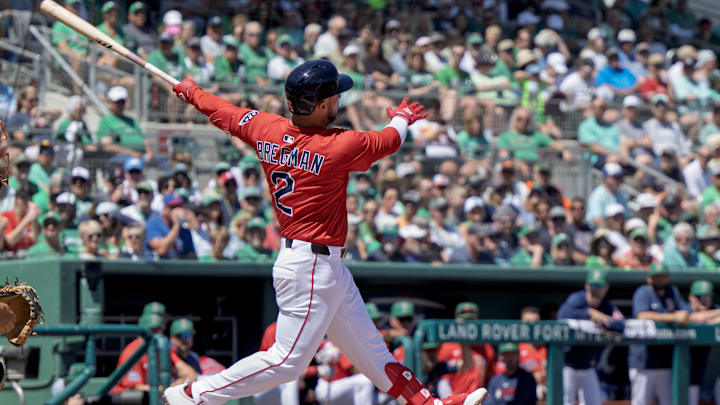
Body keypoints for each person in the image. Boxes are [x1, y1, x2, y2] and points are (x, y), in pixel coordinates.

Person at [164, 62, 486, 405]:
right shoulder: (338, 145)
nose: (339, 102)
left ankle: (429, 403)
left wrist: (191, 92)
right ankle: (196, 393)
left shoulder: (265, 128)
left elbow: (224, 112)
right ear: (319, 105)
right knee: (287, 362)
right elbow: (390, 139)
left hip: (318, 264)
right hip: (311, 266)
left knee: (375, 355)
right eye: (334, 97)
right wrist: (402, 115)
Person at [557, 269, 624, 405]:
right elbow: (562, 316)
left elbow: (621, 325)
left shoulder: (606, 305)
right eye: (594, 285)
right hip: (568, 365)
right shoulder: (577, 299)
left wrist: (603, 322)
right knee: (565, 402)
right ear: (587, 286)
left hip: (588, 366)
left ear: (606, 287)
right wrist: (589, 313)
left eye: (600, 286)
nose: (597, 290)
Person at [628, 264, 689, 405]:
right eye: (656, 276)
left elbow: (685, 313)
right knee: (640, 401)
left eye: (663, 276)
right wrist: (673, 317)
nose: (660, 279)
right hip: (643, 360)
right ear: (649, 278)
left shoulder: (672, 292)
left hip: (665, 360)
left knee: (668, 401)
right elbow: (642, 315)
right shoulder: (643, 292)